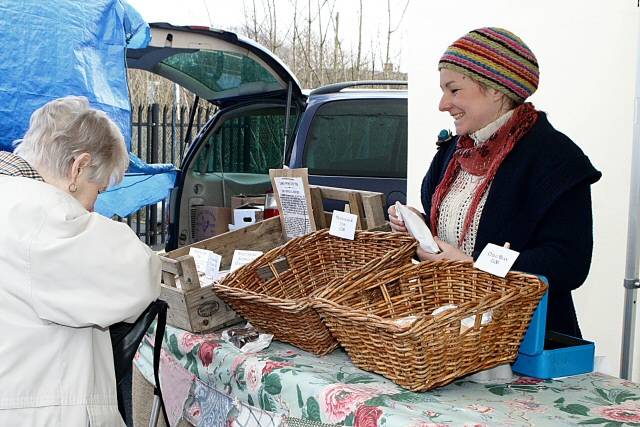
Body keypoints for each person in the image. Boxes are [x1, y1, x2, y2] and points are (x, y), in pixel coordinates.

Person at [389, 27, 601, 338]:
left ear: (496, 90)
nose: (442, 104)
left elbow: (568, 263)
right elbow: (455, 235)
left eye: (454, 90)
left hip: (521, 344)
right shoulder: (455, 152)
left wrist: (475, 264)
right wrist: (419, 227)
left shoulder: (555, 159)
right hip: (450, 337)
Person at [0, 96, 161, 426]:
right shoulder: (41, 217)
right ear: (78, 167)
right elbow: (136, 278)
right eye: (98, 190)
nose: (92, 207)